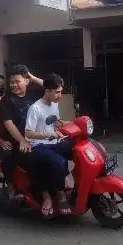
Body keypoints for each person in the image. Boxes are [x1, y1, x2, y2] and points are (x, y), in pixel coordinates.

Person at [25, 73, 72, 217]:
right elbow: (28, 133)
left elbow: (56, 123)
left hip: (52, 142)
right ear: (47, 91)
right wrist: (48, 135)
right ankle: (60, 196)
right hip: (38, 146)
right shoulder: (35, 108)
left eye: (61, 92)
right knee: (59, 162)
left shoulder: (54, 104)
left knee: (72, 148)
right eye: (57, 92)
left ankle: (66, 178)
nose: (60, 95)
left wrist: (75, 123)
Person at [0, 65, 44, 199]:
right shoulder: (6, 101)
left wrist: (32, 77)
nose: (14, 85)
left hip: (36, 137)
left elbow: (51, 87)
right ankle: (13, 185)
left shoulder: (33, 95)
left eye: (17, 81)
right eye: (11, 82)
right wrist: (22, 140)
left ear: (27, 81)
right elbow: (9, 124)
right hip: (16, 140)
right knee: (31, 159)